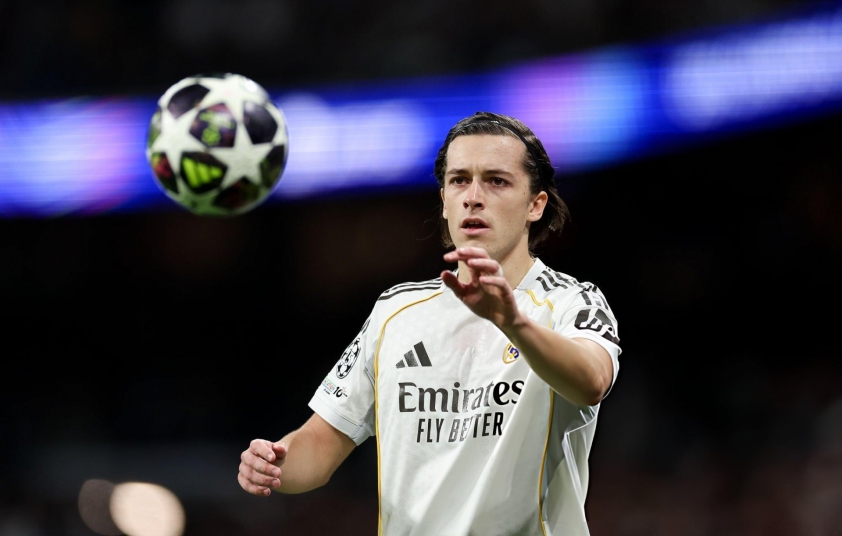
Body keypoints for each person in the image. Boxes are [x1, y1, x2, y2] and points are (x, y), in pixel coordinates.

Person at [237, 111, 622, 536]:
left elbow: (592, 380)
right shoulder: (395, 313)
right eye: (459, 180)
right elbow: (319, 447)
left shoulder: (571, 302)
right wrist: (275, 462)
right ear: (444, 200)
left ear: (536, 204)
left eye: (496, 181)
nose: (473, 197)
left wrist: (512, 323)